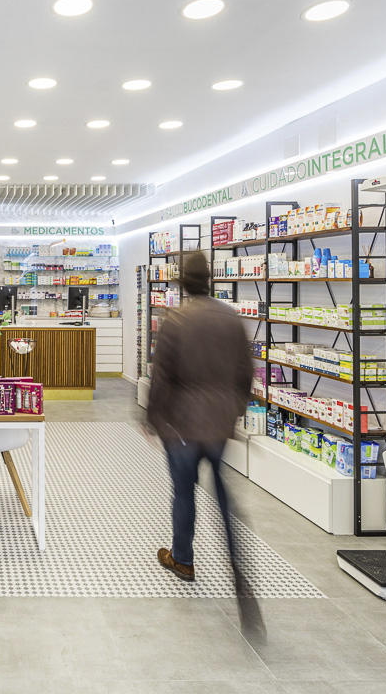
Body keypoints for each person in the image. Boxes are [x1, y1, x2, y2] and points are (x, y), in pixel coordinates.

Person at [147, 251, 254, 601]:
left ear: (182, 282)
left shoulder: (176, 320)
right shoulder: (231, 317)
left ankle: (183, 560)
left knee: (184, 491)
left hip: (182, 424)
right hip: (219, 422)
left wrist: (153, 418)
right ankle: (237, 561)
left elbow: (161, 377)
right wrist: (234, 410)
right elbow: (245, 373)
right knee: (220, 489)